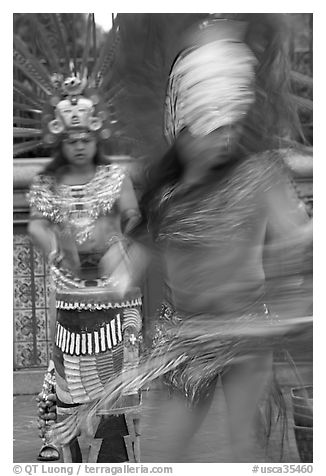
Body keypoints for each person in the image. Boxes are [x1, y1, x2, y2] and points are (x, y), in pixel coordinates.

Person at [86, 14, 312, 462]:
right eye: (213, 129)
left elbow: (300, 241)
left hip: (246, 335)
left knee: (243, 451)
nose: (225, 139)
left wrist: (293, 301)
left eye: (231, 126)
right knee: (161, 454)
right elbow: (138, 256)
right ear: (183, 128)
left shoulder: (260, 176)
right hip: (183, 339)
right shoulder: (166, 193)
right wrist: (115, 263)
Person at [16, 14, 144, 462]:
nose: (78, 143)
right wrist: (57, 247)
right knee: (65, 374)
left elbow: (132, 215)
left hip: (113, 294)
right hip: (68, 295)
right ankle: (62, 445)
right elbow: (34, 223)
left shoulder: (114, 177)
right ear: (59, 139)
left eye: (85, 136)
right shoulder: (49, 183)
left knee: (115, 382)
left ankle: (113, 451)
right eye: (69, 137)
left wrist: (119, 233)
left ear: (96, 135)